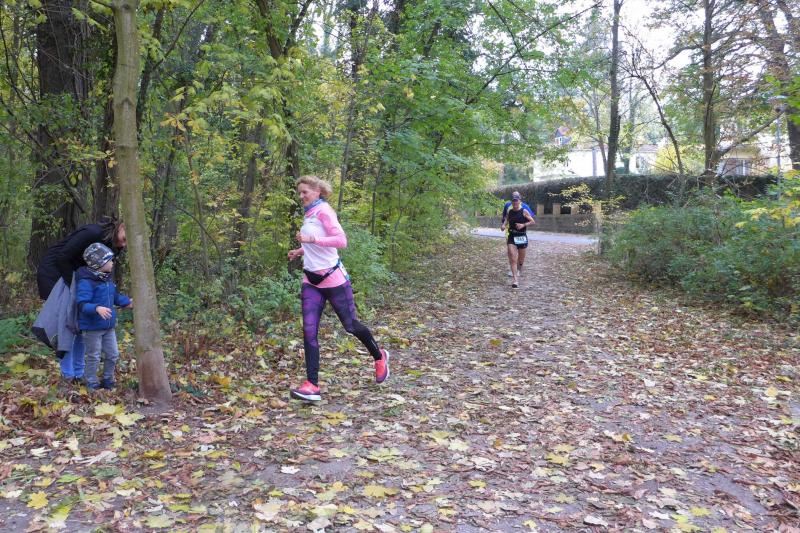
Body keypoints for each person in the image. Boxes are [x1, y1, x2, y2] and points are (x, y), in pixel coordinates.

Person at [287, 175, 390, 402]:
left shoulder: (324, 211)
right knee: (309, 331)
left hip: (333, 279)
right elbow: (318, 243)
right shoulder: (309, 213)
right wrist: (300, 250)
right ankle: (312, 385)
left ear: (317, 191)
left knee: (351, 325)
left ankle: (379, 355)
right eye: (299, 193)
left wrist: (311, 240)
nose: (301, 196)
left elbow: (341, 241)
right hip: (311, 280)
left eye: (305, 192)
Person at [36, 217, 127, 381]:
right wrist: (76, 286)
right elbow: (63, 257)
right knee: (66, 324)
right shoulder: (93, 233)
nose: (124, 244)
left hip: (80, 280)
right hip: (56, 274)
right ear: (121, 226)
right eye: (125, 238)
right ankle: (68, 374)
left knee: (82, 324)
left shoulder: (113, 244)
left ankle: (78, 373)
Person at [75, 243, 132, 390]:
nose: (112, 263)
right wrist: (96, 308)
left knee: (113, 354)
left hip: (108, 326)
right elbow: (82, 304)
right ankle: (91, 382)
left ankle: (108, 379)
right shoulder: (86, 281)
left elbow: (115, 297)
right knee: (93, 355)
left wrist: (128, 302)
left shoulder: (107, 280)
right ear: (99, 263)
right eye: (109, 260)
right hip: (92, 327)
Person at [500, 192, 535, 288]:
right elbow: (506, 219)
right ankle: (515, 280)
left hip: (521, 236)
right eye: (513, 201)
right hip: (512, 235)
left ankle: (519, 269)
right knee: (512, 256)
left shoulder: (524, 211)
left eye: (516, 200)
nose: (515, 202)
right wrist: (503, 225)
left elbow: (532, 221)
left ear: (520, 201)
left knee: (521, 259)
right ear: (512, 202)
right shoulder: (510, 211)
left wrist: (523, 225)